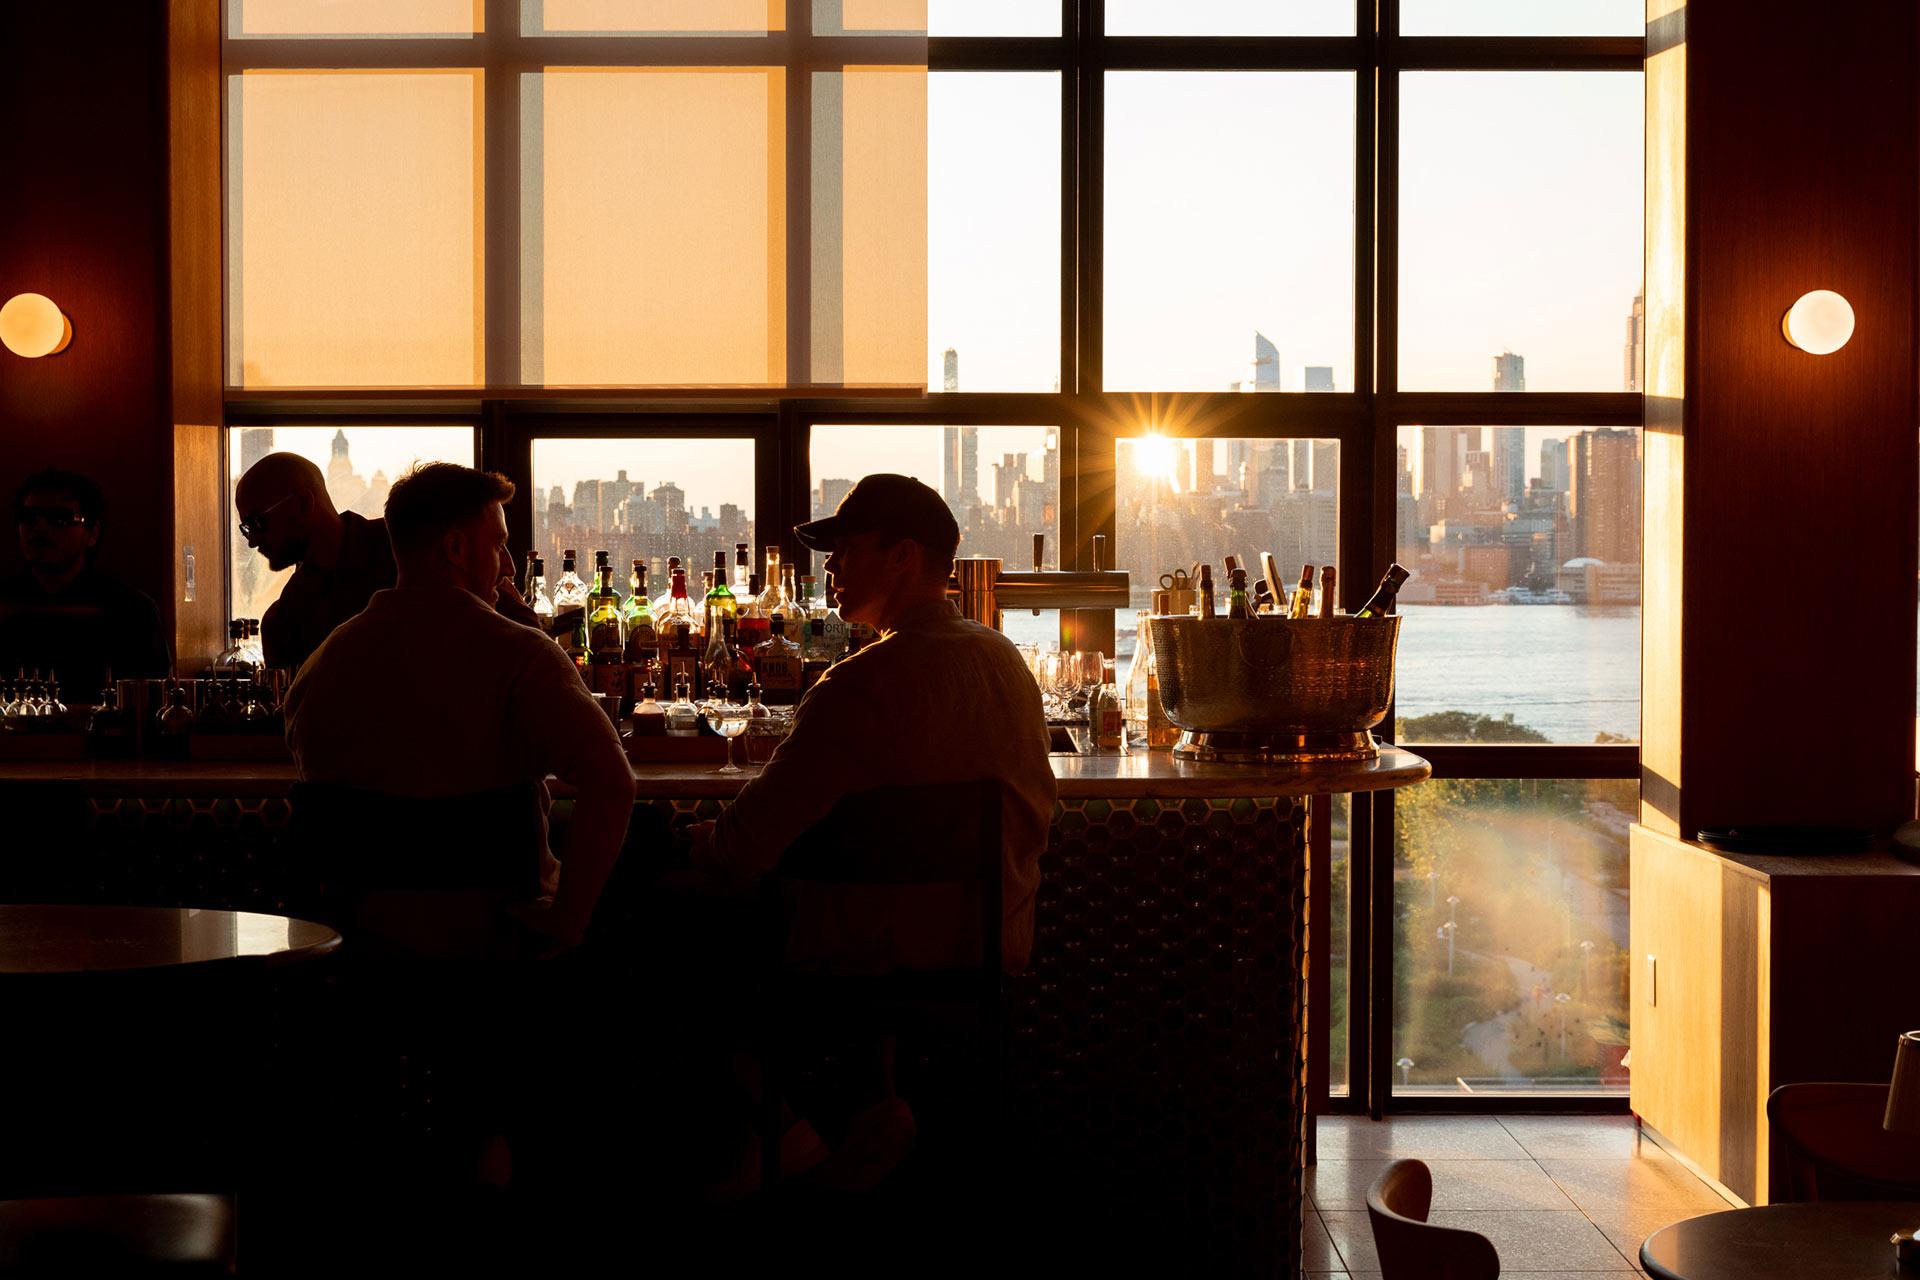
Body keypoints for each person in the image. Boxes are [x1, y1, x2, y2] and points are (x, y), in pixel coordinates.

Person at [684, 473, 1056, 1189]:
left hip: (862, 954)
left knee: (670, 922)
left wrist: (704, 840)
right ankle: (876, 1109)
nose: (831, 567)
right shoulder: (1005, 662)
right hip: (990, 944)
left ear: (903, 556)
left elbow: (744, 848)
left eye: (847, 549)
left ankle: (781, 1132)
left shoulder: (858, 684)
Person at [285, 462, 633, 956]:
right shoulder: (522, 655)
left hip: (357, 953)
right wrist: (566, 922)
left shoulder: (320, 666)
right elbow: (613, 782)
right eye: (498, 545)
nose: (508, 565)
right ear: (455, 549)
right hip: (499, 946)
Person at [239, 452, 542, 677]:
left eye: (257, 522)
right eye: (246, 528)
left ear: (304, 504)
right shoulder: (284, 618)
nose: (252, 540)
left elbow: (527, 639)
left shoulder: (413, 545)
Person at [0, 468, 170, 696]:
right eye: (29, 517)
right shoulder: (5, 605)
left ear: (92, 533)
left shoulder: (131, 612)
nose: (40, 528)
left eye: (60, 519)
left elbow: (150, 702)